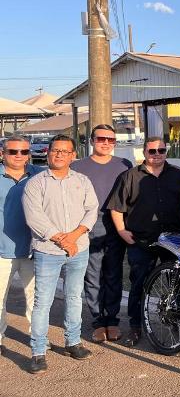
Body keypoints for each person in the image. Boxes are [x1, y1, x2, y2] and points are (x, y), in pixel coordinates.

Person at [23, 134, 98, 374]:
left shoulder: (83, 181)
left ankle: (73, 342)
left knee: (75, 297)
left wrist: (73, 237)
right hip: (48, 250)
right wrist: (61, 239)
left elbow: (91, 210)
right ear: (48, 153)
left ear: (73, 155)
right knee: (42, 301)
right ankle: (38, 351)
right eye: (55, 150)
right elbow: (34, 218)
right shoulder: (36, 183)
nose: (59, 155)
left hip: (79, 248)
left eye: (65, 151)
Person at [107, 137, 180, 346]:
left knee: (178, 283)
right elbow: (117, 207)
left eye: (161, 150)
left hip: (173, 239)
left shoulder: (178, 175)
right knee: (139, 283)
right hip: (142, 239)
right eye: (152, 151)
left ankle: (179, 323)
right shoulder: (130, 176)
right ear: (144, 153)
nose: (157, 155)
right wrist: (122, 230)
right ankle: (136, 327)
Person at [70, 125, 132, 344]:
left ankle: (112, 320)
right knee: (93, 274)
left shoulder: (124, 165)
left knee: (114, 274)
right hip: (89, 224)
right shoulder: (77, 166)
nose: (106, 143)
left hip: (116, 223)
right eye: (101, 139)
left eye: (111, 140)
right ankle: (98, 322)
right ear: (92, 140)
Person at [0, 136, 43, 355]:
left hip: (33, 249)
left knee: (35, 298)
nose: (19, 156)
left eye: (24, 152)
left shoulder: (39, 175)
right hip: (2, 250)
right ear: (2, 153)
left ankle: (37, 338)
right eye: (13, 152)